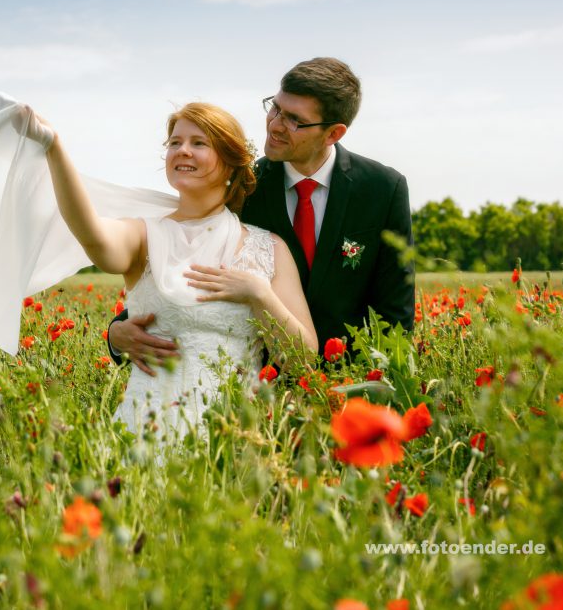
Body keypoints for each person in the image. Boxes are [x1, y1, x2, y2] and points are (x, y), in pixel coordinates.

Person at [21, 101, 317, 437]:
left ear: (232, 164)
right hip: (146, 428)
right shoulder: (143, 235)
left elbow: (303, 360)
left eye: (198, 143)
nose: (182, 151)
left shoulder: (270, 248)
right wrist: (54, 147)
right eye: (175, 143)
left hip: (233, 437)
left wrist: (259, 294)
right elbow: (90, 232)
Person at [108, 58, 414, 375]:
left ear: (333, 133)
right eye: (275, 108)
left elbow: (395, 312)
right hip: (261, 390)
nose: (275, 124)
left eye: (294, 120)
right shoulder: (245, 186)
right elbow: (186, 258)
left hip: (351, 385)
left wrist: (374, 392)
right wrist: (117, 332)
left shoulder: (383, 189)